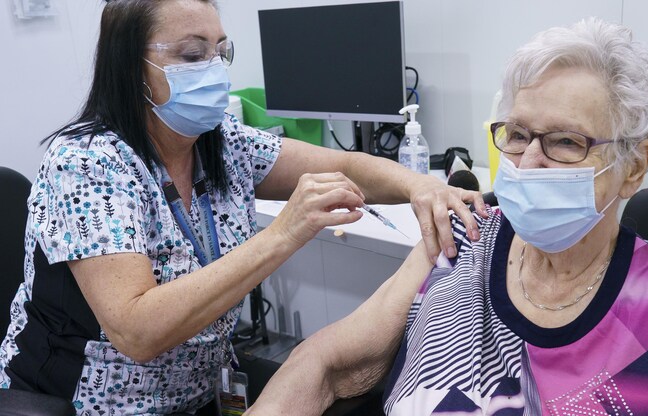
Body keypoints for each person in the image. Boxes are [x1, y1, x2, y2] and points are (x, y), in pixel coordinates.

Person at [0, 0, 486, 414]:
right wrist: (284, 233)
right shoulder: (86, 163)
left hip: (202, 392)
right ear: (131, 68)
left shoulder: (218, 141)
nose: (214, 69)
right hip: (85, 402)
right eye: (193, 55)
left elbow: (345, 165)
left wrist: (421, 186)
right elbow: (138, 332)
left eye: (220, 52)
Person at [248, 17, 648, 415]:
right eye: (519, 134)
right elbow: (326, 361)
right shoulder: (460, 239)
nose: (526, 163)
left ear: (633, 166)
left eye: (566, 142)